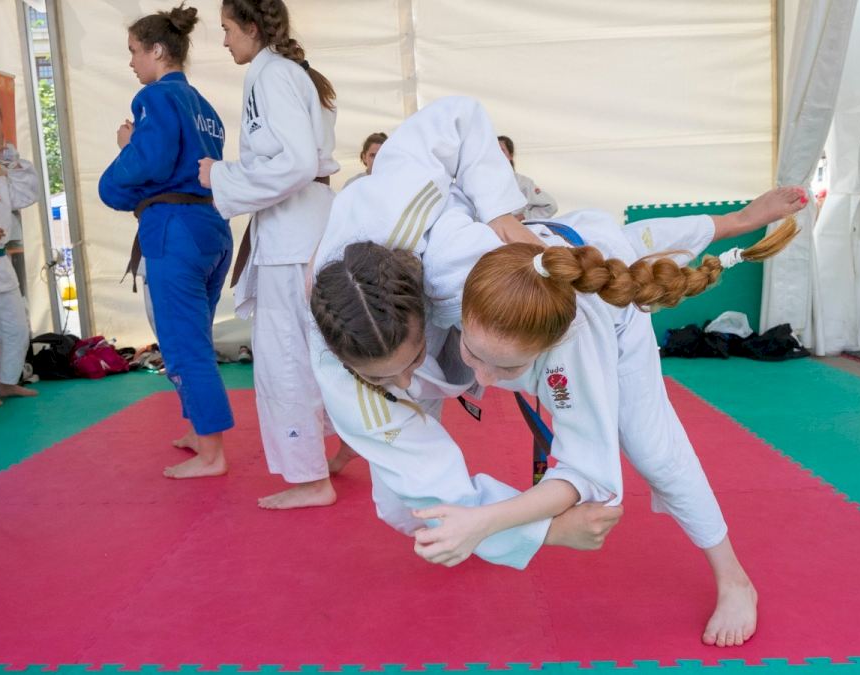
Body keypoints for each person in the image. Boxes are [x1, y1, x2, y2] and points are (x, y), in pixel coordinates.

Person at [310, 97, 806, 647]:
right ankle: (731, 222)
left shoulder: (540, 316)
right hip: (551, 267)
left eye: (411, 360)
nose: (407, 384)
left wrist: (500, 212)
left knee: (654, 449)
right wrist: (535, 529)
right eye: (384, 377)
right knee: (402, 502)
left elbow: (593, 473)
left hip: (576, 287)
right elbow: (428, 481)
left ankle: (734, 577)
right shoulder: (343, 356)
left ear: (428, 305)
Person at [198, 0, 351, 509]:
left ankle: (311, 479)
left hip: (294, 238)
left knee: (286, 358)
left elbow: (297, 163)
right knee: (320, 350)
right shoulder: (294, 73)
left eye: (226, 29)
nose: (224, 41)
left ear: (250, 26)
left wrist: (221, 175)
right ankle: (347, 438)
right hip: (305, 229)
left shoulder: (273, 75)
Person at [97, 4, 234, 473]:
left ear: (157, 51)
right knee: (193, 336)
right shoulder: (205, 107)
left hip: (176, 230)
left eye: (134, 51)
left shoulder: (155, 98)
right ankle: (200, 430)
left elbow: (149, 164)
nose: (131, 61)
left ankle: (212, 454)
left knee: (182, 343)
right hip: (211, 227)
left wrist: (125, 153)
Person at [0, 96, 41, 407]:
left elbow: (25, 194)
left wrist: (5, 161)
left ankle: (7, 381)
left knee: (16, 325)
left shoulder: (3, 161)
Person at [497, 135, 557, 220]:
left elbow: (550, 206)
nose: (497, 154)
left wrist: (522, 217)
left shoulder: (523, 182)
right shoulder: (480, 182)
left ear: (510, 156)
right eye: (494, 151)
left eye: (501, 150)